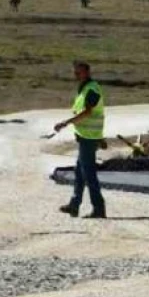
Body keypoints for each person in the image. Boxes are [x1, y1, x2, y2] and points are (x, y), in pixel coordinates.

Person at [53, 61, 106, 219]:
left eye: (79, 72)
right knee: (80, 172)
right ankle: (74, 205)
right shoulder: (84, 89)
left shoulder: (92, 89)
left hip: (89, 138)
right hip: (86, 136)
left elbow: (88, 112)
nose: (76, 75)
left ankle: (98, 208)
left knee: (89, 173)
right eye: (75, 72)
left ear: (87, 72)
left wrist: (66, 122)